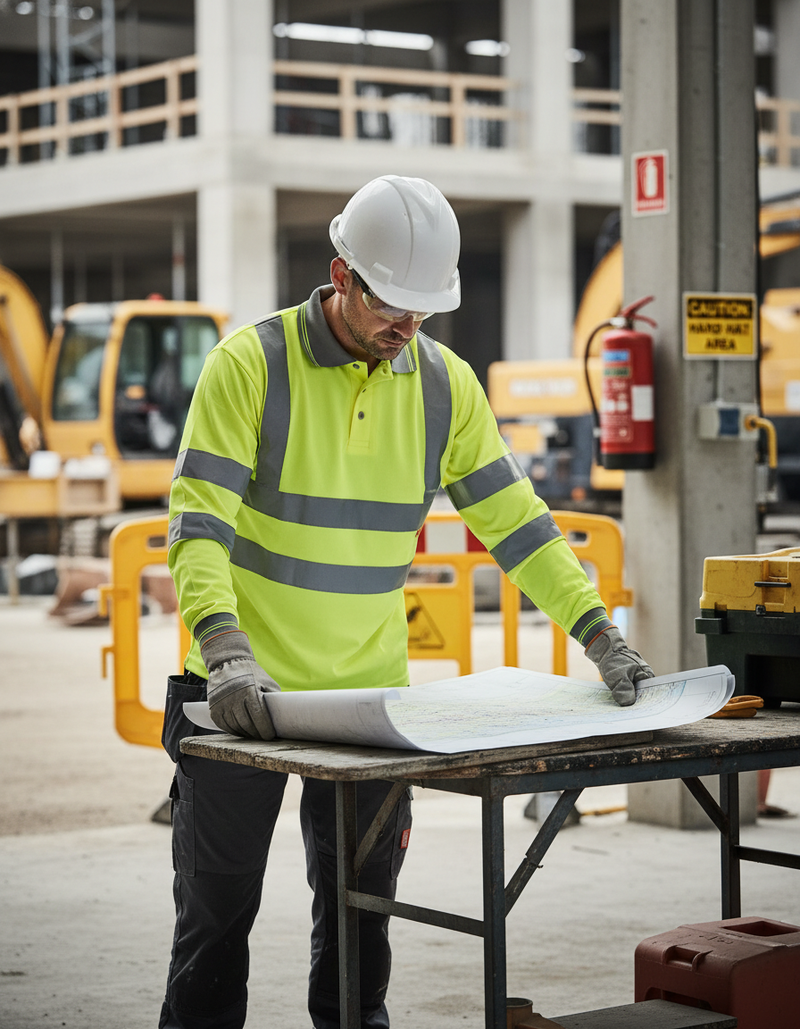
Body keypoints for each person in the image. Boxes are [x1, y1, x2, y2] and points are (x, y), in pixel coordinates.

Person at [159, 174, 653, 1029]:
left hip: (368, 706)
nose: (406, 327)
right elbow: (196, 525)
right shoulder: (251, 364)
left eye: (425, 311)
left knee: (361, 923)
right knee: (215, 921)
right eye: (392, 304)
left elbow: (520, 527)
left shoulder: (443, 384)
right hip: (238, 696)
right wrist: (224, 647)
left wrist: (599, 633)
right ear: (340, 274)